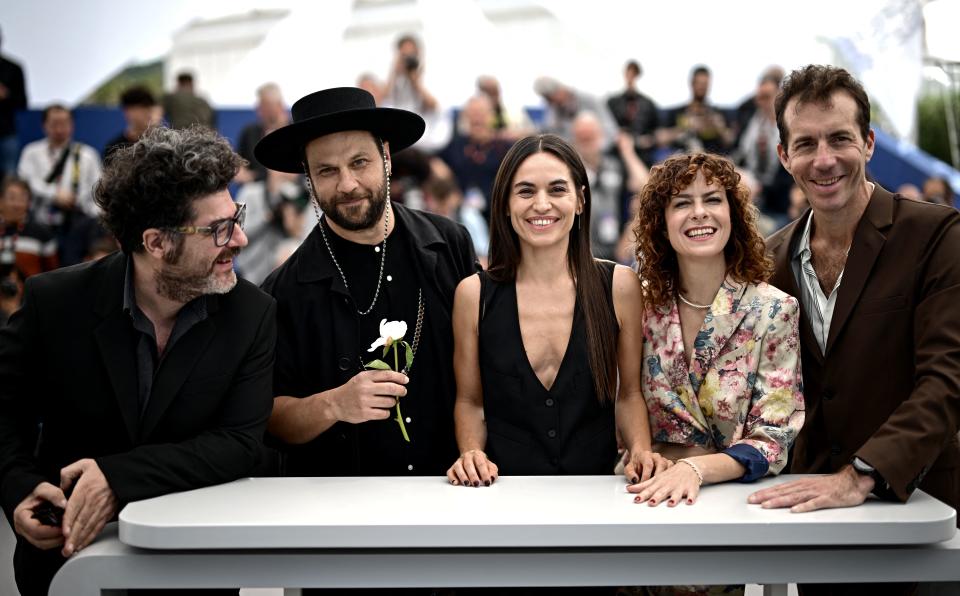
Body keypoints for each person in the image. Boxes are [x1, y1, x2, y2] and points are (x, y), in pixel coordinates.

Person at [0, 125, 276, 596]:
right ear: (156, 243)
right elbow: (5, 410)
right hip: (68, 561)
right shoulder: (56, 301)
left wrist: (117, 479)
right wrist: (19, 485)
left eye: (237, 218)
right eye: (219, 230)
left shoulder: (251, 312)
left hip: (193, 571)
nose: (240, 240)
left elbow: (239, 443)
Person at [748, 63, 960, 535]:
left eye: (839, 139)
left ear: (868, 143)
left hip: (919, 510)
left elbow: (948, 378)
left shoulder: (936, 235)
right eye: (805, 144)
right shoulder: (769, 260)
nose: (824, 160)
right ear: (784, 156)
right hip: (811, 518)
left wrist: (863, 473)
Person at [255, 87, 478, 478]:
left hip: (451, 490)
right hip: (342, 508)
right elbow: (268, 419)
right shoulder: (284, 291)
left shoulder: (449, 246)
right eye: (326, 170)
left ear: (387, 158)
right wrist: (334, 404)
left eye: (360, 162)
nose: (347, 184)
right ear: (308, 178)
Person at [446, 133, 667, 486]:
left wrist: (640, 450)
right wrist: (471, 453)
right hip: (501, 496)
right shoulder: (473, 295)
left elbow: (628, 394)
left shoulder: (620, 285)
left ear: (580, 200)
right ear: (504, 203)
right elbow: (471, 402)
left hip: (597, 497)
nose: (542, 204)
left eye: (557, 190)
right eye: (526, 191)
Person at [627, 152, 804, 507]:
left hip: (737, 506)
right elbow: (621, 410)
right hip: (645, 499)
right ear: (660, 223)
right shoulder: (639, 307)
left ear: (732, 215)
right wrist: (642, 453)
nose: (699, 212)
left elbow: (773, 438)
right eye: (681, 203)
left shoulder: (774, 309)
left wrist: (695, 468)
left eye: (712, 199)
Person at [16, 104, 102, 265]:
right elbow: (25, 182)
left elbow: (99, 192)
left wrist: (90, 216)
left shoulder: (86, 154)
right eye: (54, 123)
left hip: (77, 223)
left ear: (72, 125)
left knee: (74, 268)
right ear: (44, 125)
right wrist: (54, 194)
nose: (60, 129)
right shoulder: (31, 152)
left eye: (64, 123)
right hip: (40, 222)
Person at [659, 65, 733, 155]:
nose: (702, 88)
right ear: (692, 83)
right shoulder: (677, 112)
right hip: (682, 160)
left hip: (713, 161)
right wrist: (686, 127)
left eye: (705, 84)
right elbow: (661, 138)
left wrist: (719, 127)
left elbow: (731, 140)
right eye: (699, 83)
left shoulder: (718, 113)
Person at [0, 175, 57, 278]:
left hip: (31, 292)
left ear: (29, 203)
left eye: (22, 198)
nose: (17, 204)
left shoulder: (42, 233)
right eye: (12, 198)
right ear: (1, 201)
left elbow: (52, 275)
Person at [606, 60, 660, 165]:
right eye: (629, 73)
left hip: (642, 152)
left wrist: (649, 140)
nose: (631, 78)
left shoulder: (648, 104)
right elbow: (607, 127)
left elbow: (656, 132)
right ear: (625, 74)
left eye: (634, 74)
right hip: (617, 150)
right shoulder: (613, 102)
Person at [235, 82, 290, 184]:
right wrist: (242, 173)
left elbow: (296, 174)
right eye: (260, 105)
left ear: (279, 106)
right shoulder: (250, 132)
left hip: (289, 187)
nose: (260, 110)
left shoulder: (293, 131)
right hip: (255, 186)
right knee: (248, 193)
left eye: (266, 105)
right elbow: (239, 164)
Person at [103, 85, 160, 159]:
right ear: (128, 112)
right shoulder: (114, 148)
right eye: (143, 108)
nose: (148, 112)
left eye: (150, 107)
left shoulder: (163, 144)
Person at [0, 26, 27, 178]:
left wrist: (6, 95)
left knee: (10, 177)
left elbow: (23, 102)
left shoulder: (13, 68)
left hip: (6, 132)